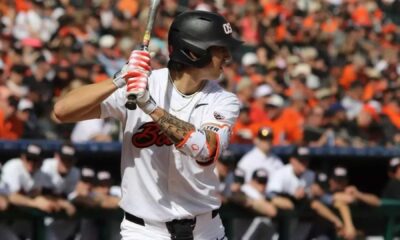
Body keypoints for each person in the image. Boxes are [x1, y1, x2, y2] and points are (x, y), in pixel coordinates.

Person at [53, 10, 242, 240]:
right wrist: (120, 78)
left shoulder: (223, 100)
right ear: (194, 52)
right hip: (144, 231)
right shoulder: (142, 84)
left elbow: (206, 150)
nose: (227, 56)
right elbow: (62, 111)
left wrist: (150, 107)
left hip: (205, 229)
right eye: (219, 48)